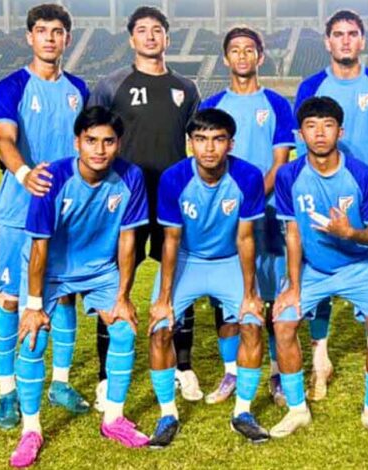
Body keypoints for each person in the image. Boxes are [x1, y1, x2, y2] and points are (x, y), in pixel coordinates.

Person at [8, 106, 150, 467]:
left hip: (100, 269)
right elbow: (39, 247)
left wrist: (122, 297)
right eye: (91, 141)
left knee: (124, 330)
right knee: (33, 339)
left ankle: (113, 419)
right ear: (77, 142)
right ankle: (31, 430)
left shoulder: (131, 176)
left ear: (119, 144)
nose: (99, 150)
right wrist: (34, 306)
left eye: (108, 141)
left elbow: (128, 240)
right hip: (50, 270)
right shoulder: (52, 178)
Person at [88, 5, 201, 409]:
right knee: (114, 284)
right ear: (131, 38)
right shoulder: (111, 84)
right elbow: (93, 136)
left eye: (157, 29)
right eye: (142, 29)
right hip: (126, 199)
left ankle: (183, 367)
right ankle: (105, 377)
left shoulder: (186, 88)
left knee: (180, 281)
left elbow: (198, 142)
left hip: (172, 199)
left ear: (167, 37)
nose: (150, 36)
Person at [0, 3, 90, 430]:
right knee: (11, 298)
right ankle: (7, 391)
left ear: (67, 39)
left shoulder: (79, 89)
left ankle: (60, 383)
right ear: (30, 37)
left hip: (68, 212)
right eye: (42, 30)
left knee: (64, 295)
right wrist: (25, 174)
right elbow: (4, 139)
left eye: (57, 31)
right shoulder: (12, 85)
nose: (50, 37)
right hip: (20, 209)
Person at [270, 97, 368, 441]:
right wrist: (293, 286)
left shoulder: (362, 174)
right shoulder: (289, 175)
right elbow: (293, 233)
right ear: (300, 134)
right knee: (283, 322)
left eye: (327, 125)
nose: (320, 133)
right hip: (315, 268)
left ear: (340, 131)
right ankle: (297, 410)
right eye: (311, 126)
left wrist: (349, 233)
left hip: (361, 266)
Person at [293, 9, 368, 401]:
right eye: (338, 34)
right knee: (318, 270)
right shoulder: (311, 85)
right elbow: (301, 140)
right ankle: (320, 361)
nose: (345, 40)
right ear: (327, 41)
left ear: (362, 40)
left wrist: (364, 185)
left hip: (366, 199)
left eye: (352, 34)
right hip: (319, 196)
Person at [147, 108, 268, 446]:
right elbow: (170, 241)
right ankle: (167, 415)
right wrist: (164, 299)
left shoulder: (248, 176)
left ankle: (243, 413)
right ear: (190, 143)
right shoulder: (174, 178)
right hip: (188, 260)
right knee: (160, 329)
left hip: (229, 260)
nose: (209, 148)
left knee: (252, 324)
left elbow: (246, 238)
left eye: (218, 139)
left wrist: (250, 294)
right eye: (201, 139)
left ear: (231, 143)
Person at [199, 26, 297, 406]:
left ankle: (274, 371)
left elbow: (280, 162)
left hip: (268, 212)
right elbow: (206, 160)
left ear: (260, 56)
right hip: (225, 214)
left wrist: (252, 199)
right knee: (227, 297)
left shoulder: (276, 104)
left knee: (269, 293)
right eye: (235, 50)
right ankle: (231, 371)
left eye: (249, 50)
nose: (242, 56)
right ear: (226, 58)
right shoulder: (213, 105)